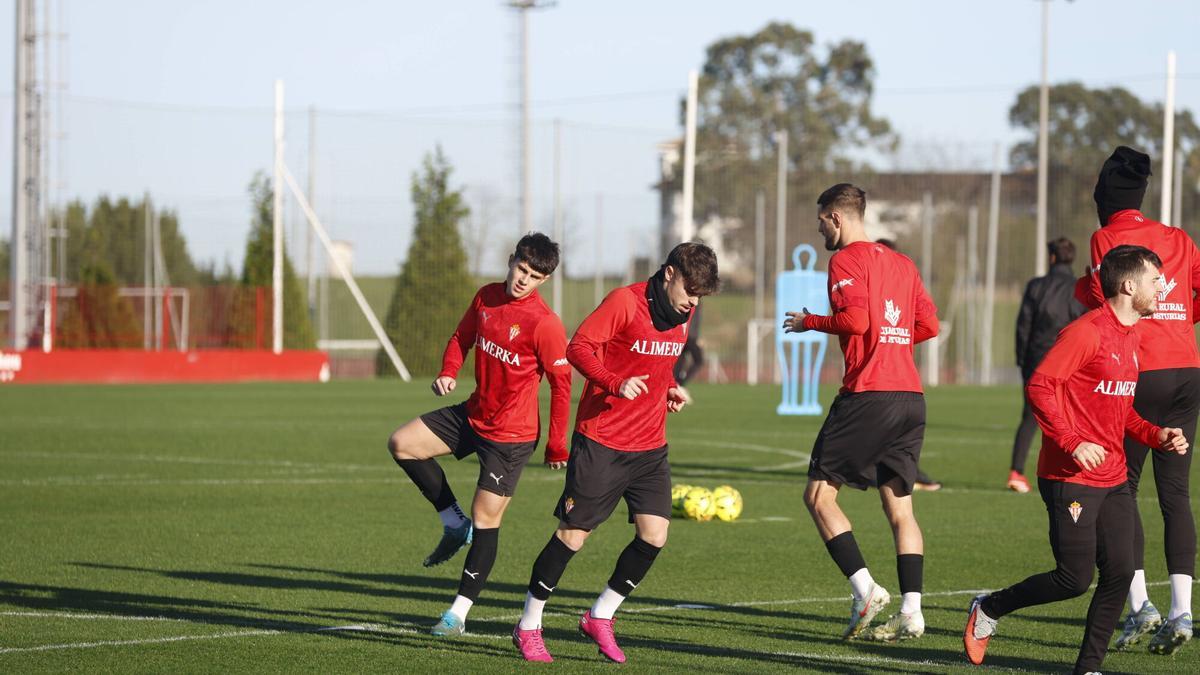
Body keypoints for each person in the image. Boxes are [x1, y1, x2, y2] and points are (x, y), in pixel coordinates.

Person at [964, 244, 1188, 674]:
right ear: (1128, 285)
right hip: (1070, 476)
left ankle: (1088, 668)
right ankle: (989, 608)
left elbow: (1121, 412)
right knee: (1073, 579)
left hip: (1114, 478)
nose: (1163, 286)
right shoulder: (1087, 332)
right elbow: (1040, 386)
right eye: (1154, 279)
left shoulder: (1132, 336)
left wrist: (1157, 435)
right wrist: (1071, 441)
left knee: (1121, 574)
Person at [511, 242, 720, 663]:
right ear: (669, 274)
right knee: (573, 536)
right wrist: (614, 382)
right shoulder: (624, 302)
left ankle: (600, 616)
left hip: (650, 445)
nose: (693, 302)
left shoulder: (685, 309)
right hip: (602, 440)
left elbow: (659, 364)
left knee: (654, 534)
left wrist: (667, 390)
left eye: (700, 295)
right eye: (690, 290)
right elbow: (578, 348)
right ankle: (528, 623)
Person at [385, 233, 572, 637]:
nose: (524, 280)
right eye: (522, 269)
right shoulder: (486, 297)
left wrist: (557, 444)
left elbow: (562, 385)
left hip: (511, 436)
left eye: (535, 276)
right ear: (511, 260)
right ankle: (453, 524)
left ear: (544, 280)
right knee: (403, 444)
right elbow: (460, 338)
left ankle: (457, 614)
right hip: (473, 414)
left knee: (487, 519)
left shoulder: (545, 324)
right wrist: (448, 371)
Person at [784, 184, 939, 642]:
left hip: (868, 395)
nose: (819, 231)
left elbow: (856, 322)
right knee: (901, 509)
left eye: (820, 221)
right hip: (910, 397)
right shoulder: (902, 262)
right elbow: (928, 324)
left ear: (836, 217)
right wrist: (892, 343)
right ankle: (912, 610)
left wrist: (810, 321)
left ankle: (865, 589)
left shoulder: (845, 260)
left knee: (818, 498)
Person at [1074, 146, 1199, 655]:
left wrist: (1085, 289)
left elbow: (1103, 301)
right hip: (1189, 369)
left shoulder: (1106, 237)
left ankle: (1140, 604)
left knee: (1118, 489)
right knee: (1176, 493)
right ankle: (1183, 612)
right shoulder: (1178, 237)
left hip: (1140, 372)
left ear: (1105, 199)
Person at [1010, 238, 1086, 493]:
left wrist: (1022, 360)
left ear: (1052, 257)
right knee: (1068, 415)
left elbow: (1023, 326)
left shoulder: (1036, 286)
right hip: (1067, 361)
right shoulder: (1078, 288)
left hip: (1036, 360)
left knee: (1029, 417)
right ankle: (1067, 469)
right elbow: (1082, 324)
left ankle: (1016, 472)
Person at [876, 237, 942, 493]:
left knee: (819, 492)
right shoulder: (905, 274)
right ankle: (909, 474)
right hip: (909, 389)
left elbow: (856, 322)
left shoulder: (879, 283)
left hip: (878, 384)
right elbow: (930, 326)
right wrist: (899, 338)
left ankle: (910, 474)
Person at [671, 304, 703, 402]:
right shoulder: (689, 300)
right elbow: (693, 320)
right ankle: (679, 384)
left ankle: (677, 384)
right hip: (688, 336)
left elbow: (696, 321)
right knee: (698, 360)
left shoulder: (695, 300)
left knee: (681, 361)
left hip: (690, 336)